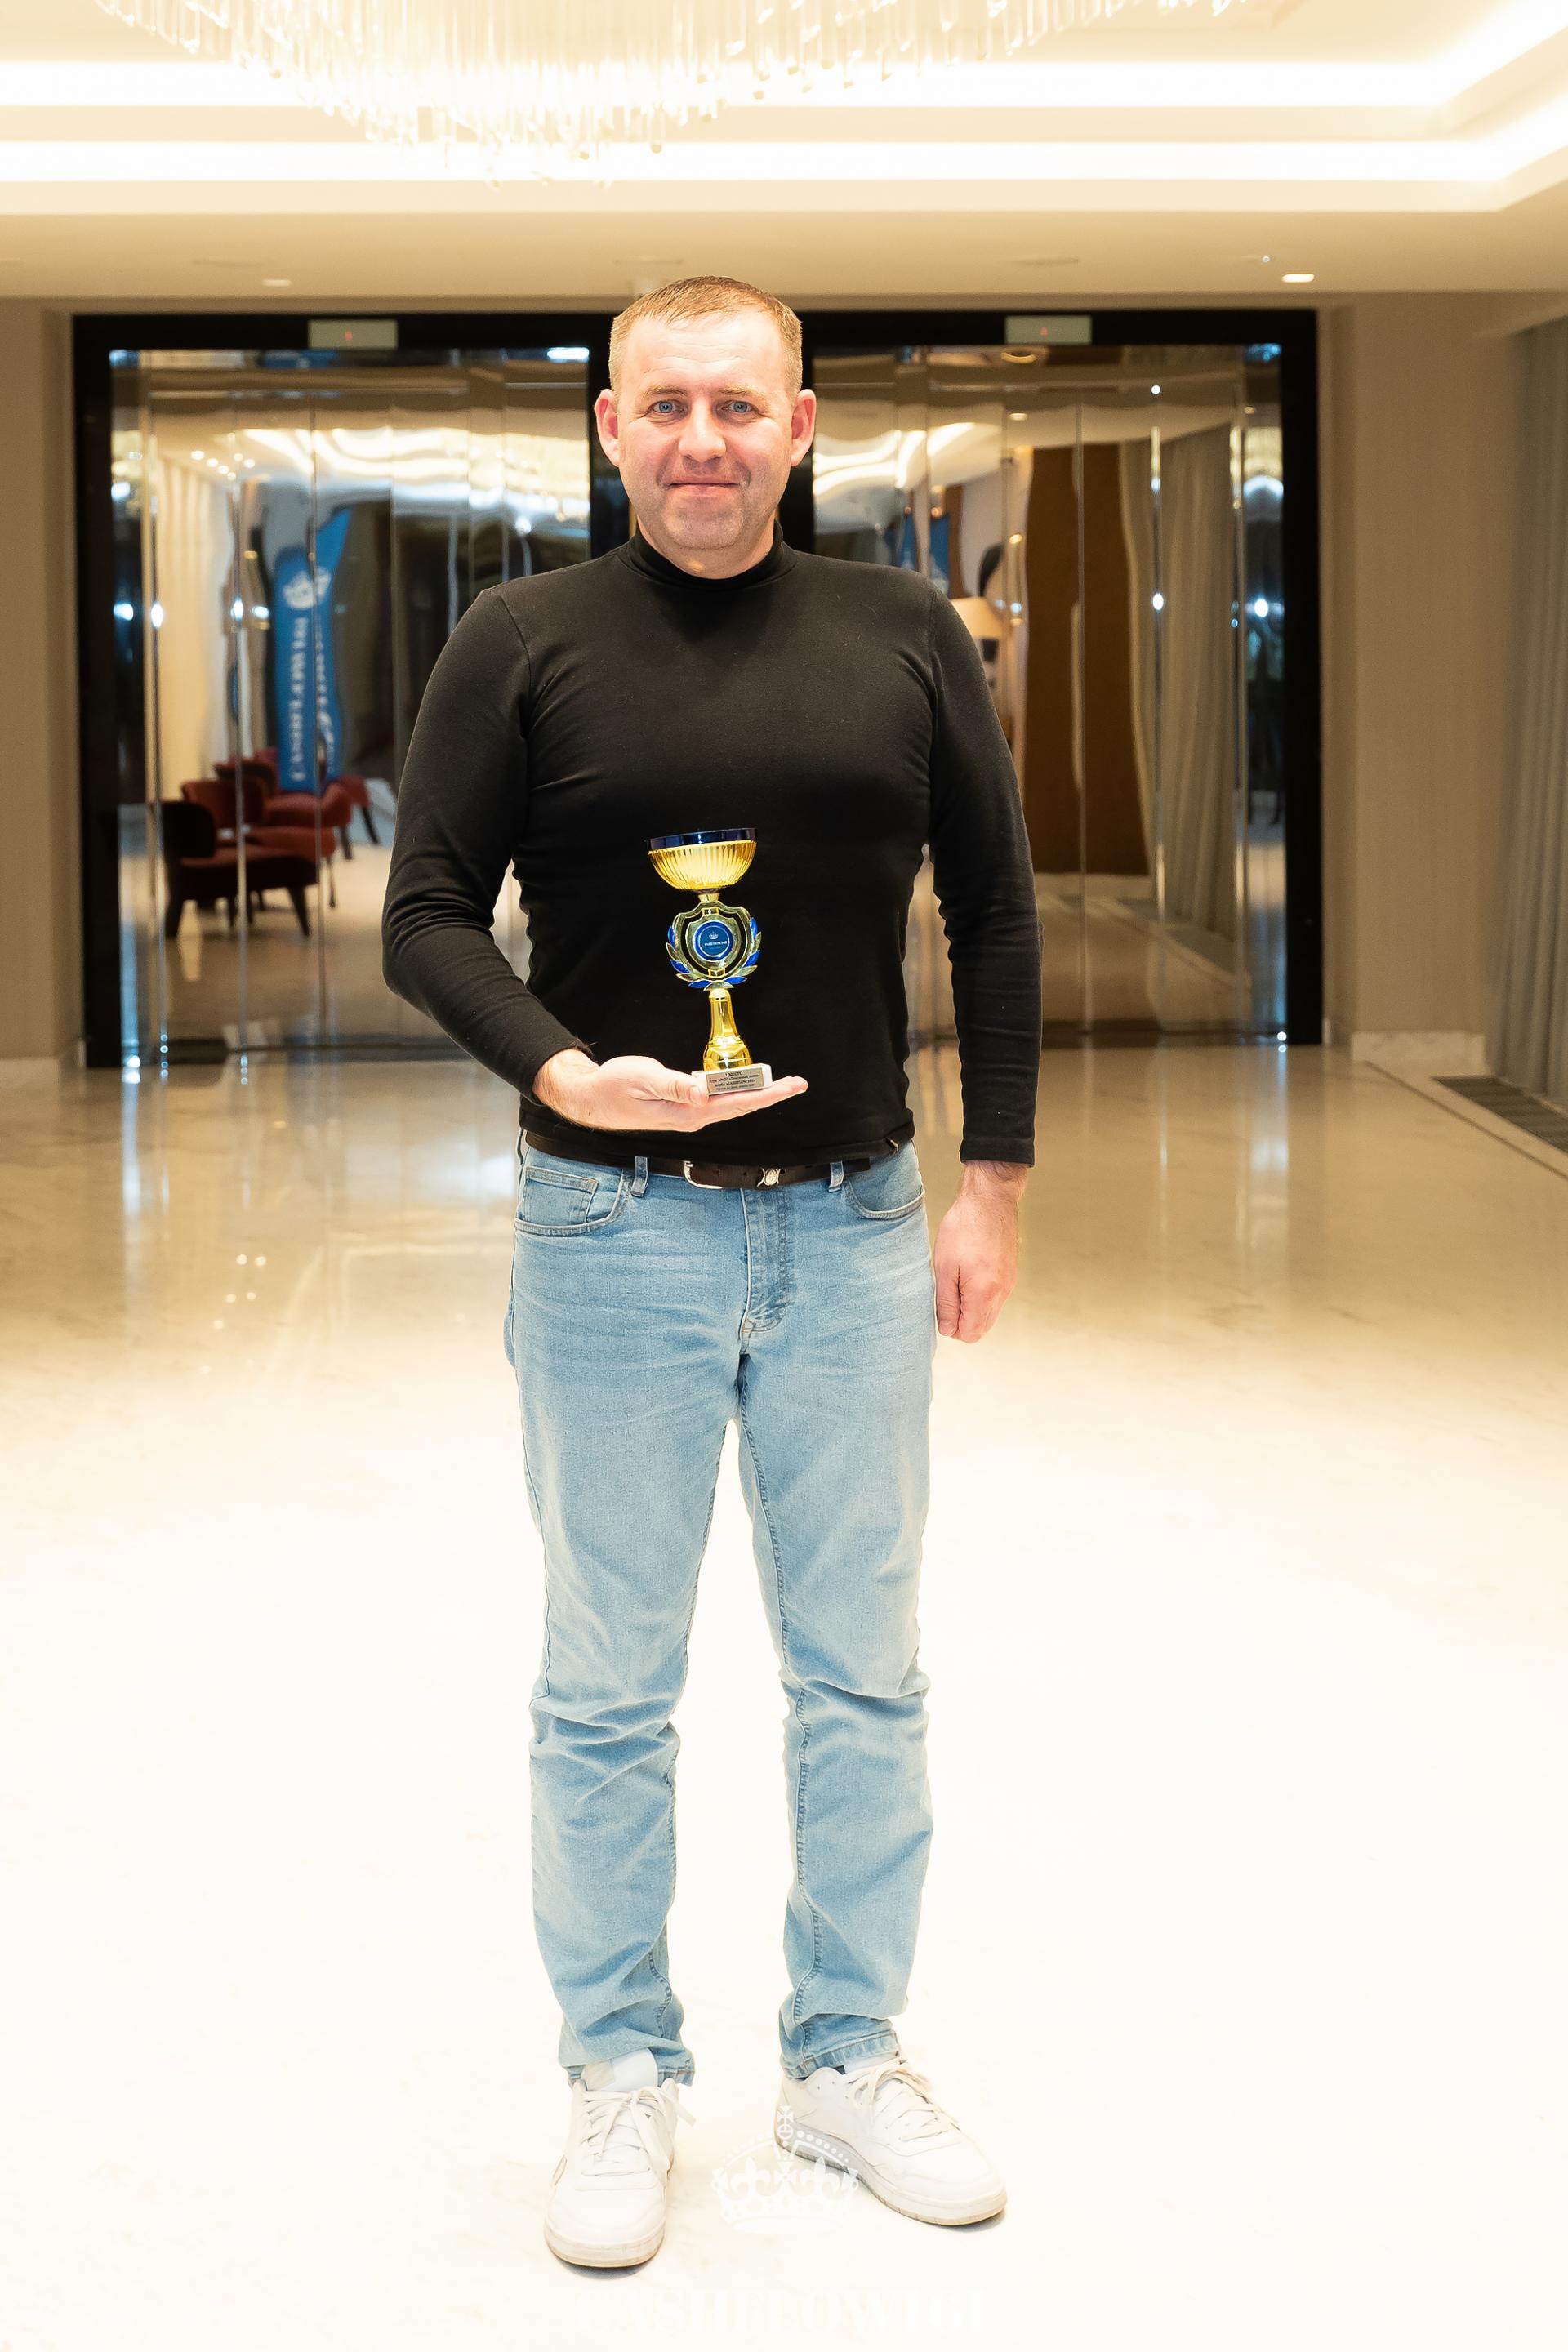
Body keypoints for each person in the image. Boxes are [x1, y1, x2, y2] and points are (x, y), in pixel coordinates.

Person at [382, 276, 1041, 2269]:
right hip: (609, 1233)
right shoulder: (520, 644)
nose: (700, 440)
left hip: (853, 1224)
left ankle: (844, 2059)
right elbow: (427, 914)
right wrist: (562, 1069)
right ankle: (619, 2070)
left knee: (865, 1674)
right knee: (607, 1685)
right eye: (663, 404)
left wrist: (993, 1182)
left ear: (801, 424)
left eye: (737, 406)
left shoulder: (904, 633)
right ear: (610, 428)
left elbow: (997, 915)